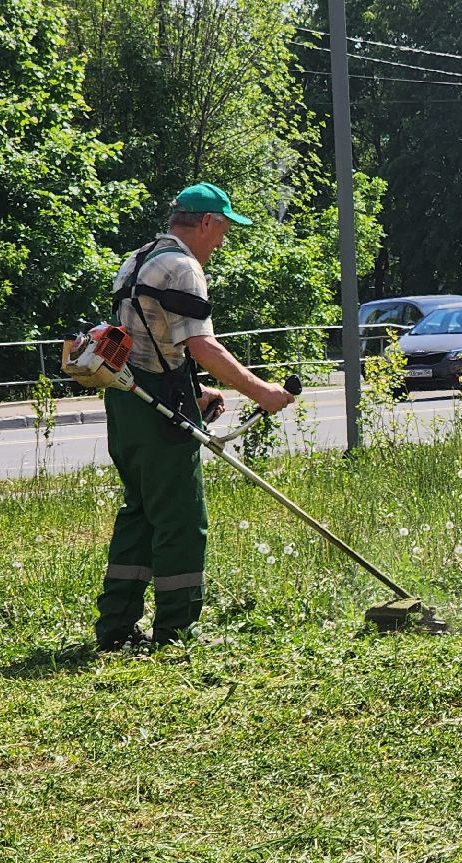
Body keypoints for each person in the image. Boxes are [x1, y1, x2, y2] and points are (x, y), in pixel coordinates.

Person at [94, 182, 294, 650]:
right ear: (206, 222)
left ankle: (116, 628)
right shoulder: (183, 268)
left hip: (127, 401)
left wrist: (195, 390)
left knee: (140, 514)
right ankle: (176, 631)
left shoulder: (138, 258)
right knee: (182, 520)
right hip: (157, 414)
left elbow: (146, 342)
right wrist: (262, 392)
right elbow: (201, 345)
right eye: (223, 229)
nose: (222, 242)